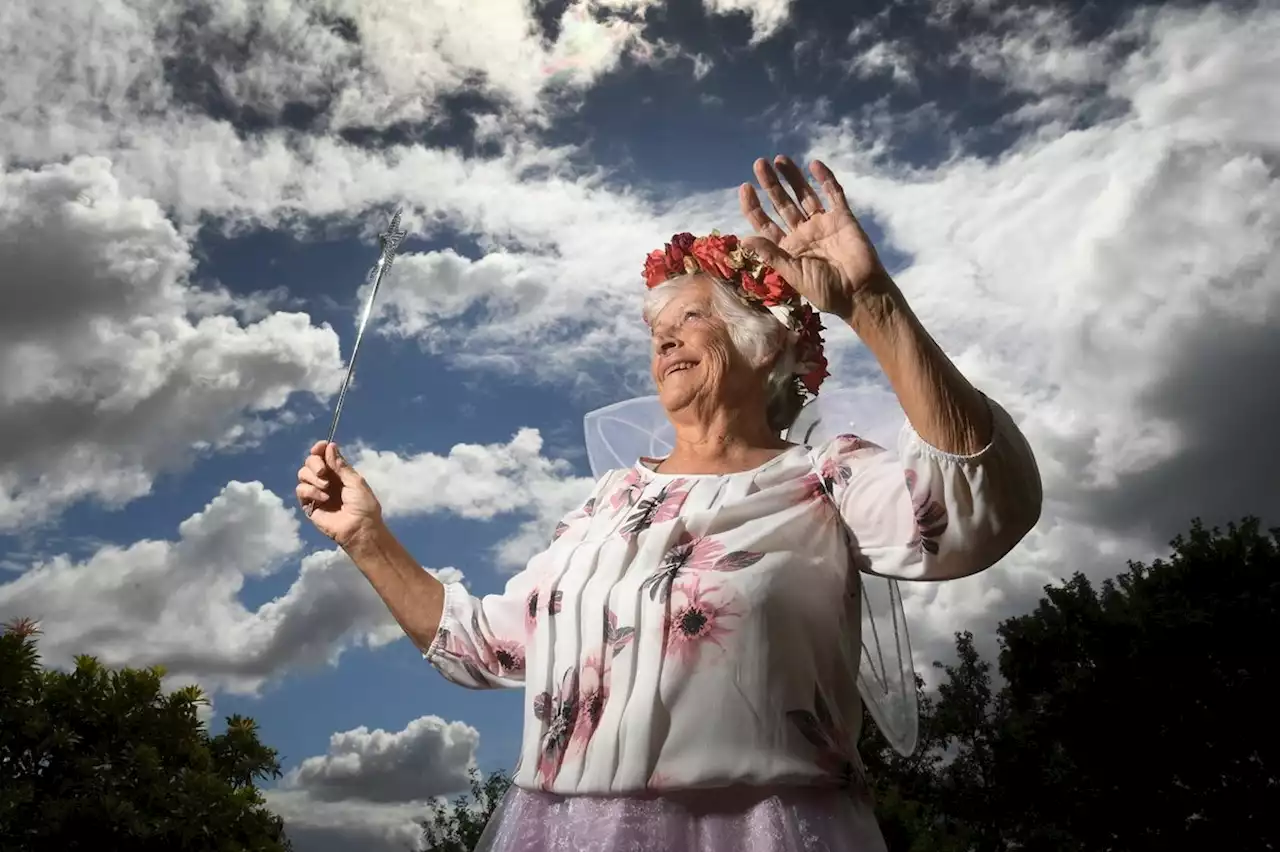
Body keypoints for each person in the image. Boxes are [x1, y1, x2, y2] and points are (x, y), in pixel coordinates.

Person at [295, 156, 1043, 851]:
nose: (664, 342)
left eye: (691, 318)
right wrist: (367, 537)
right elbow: (485, 647)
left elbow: (982, 505)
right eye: (655, 331)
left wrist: (873, 305)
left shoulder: (826, 478)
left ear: (768, 345)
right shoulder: (607, 503)